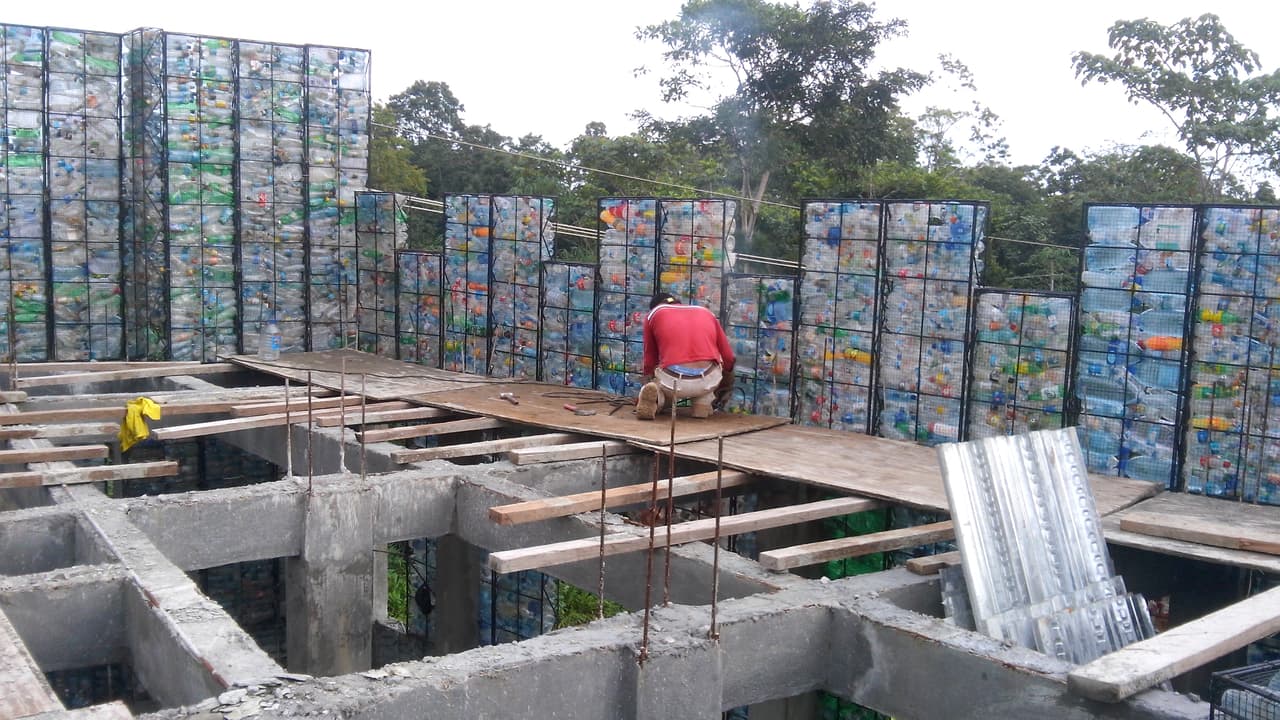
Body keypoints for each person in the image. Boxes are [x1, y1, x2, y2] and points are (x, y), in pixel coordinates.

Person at [636, 292, 735, 420]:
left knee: (659, 381)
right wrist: (724, 386)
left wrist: (647, 383)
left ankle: (657, 399)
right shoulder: (706, 312)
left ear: (654, 306)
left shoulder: (653, 314)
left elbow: (650, 360)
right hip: (708, 380)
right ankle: (703, 403)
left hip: (672, 382)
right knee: (717, 359)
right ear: (678, 303)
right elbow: (729, 357)